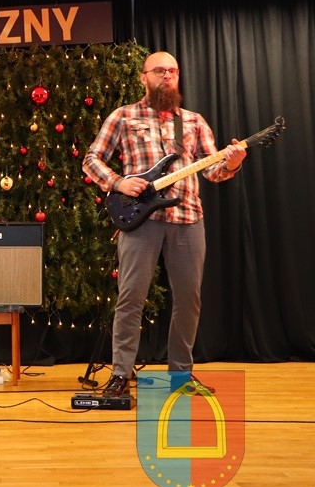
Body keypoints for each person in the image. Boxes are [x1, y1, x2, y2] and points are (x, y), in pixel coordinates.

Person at [82, 51, 247, 398]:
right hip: (141, 222)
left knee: (189, 299)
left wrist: (232, 163)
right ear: (143, 77)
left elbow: (213, 170)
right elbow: (92, 158)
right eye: (159, 71)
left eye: (172, 71)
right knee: (131, 298)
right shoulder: (123, 116)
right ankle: (120, 375)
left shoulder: (193, 121)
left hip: (188, 219)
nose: (167, 76)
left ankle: (180, 376)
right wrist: (118, 182)